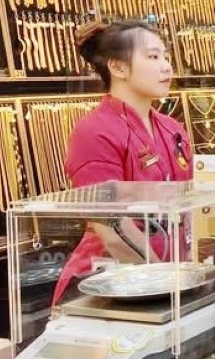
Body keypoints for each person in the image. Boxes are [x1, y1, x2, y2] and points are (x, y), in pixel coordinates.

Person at [51, 21, 193, 305]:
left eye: (165, 57)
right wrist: (164, 281)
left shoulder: (172, 128)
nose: (166, 67)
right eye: (153, 57)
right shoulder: (95, 131)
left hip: (170, 277)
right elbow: (112, 229)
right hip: (109, 284)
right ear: (118, 68)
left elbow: (189, 202)